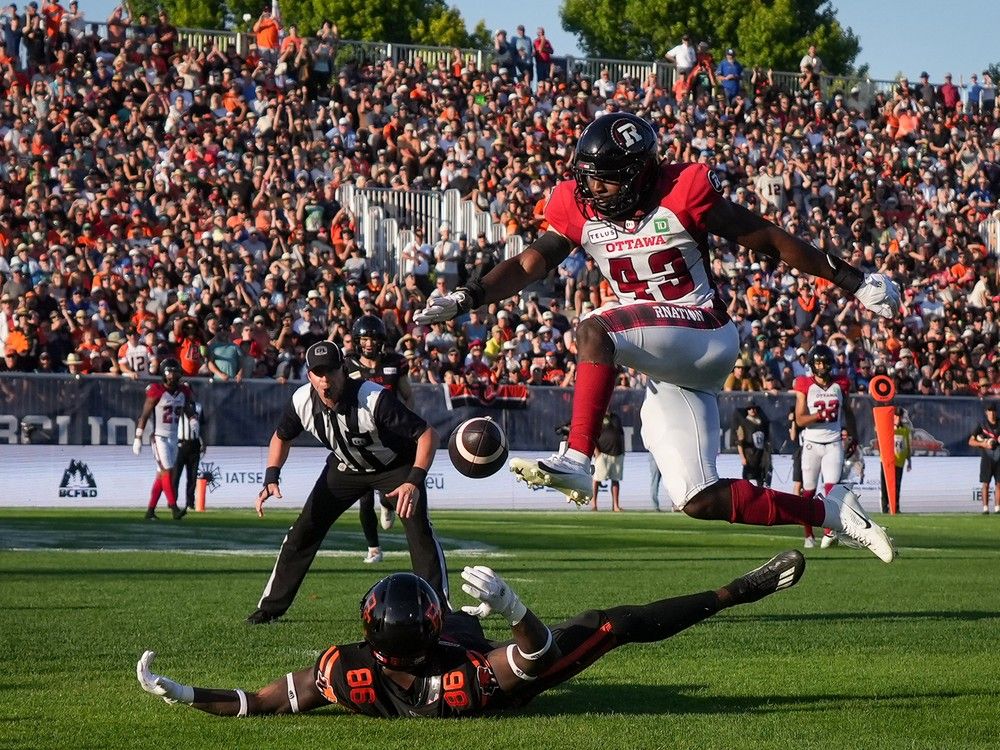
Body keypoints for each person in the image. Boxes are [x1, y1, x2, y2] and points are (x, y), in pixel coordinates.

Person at [415, 112, 899, 563]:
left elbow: (770, 239)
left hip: (704, 331)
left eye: (604, 177)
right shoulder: (578, 206)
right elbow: (528, 264)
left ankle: (578, 459)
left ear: (639, 173)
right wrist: (469, 296)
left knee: (595, 328)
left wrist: (855, 281)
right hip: (666, 364)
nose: (592, 188)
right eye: (587, 175)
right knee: (697, 497)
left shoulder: (682, 192)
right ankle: (831, 510)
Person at [137, 550, 806, 718]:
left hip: (462, 652)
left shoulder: (346, 672)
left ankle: (464, 610)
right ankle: (741, 589)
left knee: (462, 618)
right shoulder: (470, 672)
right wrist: (516, 608)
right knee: (618, 624)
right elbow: (536, 656)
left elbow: (261, 702)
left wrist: (187, 692)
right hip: (510, 676)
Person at [246, 341, 448, 624]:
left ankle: (439, 608)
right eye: (318, 372)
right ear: (309, 375)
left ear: (343, 370)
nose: (325, 380)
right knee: (304, 529)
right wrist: (271, 476)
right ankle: (270, 608)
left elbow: (428, 435)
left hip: (394, 468)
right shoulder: (302, 400)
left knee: (419, 530)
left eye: (330, 371)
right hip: (345, 468)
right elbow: (281, 436)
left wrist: (413, 481)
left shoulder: (374, 398)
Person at [345, 315, 415, 563]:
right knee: (364, 497)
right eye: (364, 338)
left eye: (373, 338)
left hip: (390, 435)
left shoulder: (395, 363)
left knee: (389, 490)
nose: (368, 343)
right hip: (361, 435)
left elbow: (408, 395)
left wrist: (406, 423)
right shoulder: (348, 365)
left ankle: (386, 502)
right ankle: (373, 548)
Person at [794, 345, 854, 549]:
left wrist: (853, 435)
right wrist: (817, 416)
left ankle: (828, 533)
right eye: (818, 362)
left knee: (831, 490)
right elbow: (800, 419)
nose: (821, 366)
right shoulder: (804, 384)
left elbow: (849, 411)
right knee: (808, 492)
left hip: (834, 442)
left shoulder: (841, 384)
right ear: (812, 364)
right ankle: (808, 534)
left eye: (824, 362)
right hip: (812, 443)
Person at [132, 358, 195, 521]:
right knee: (167, 471)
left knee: (162, 475)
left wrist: (192, 419)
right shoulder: (156, 390)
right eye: (170, 371)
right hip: (159, 437)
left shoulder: (184, 391)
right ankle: (174, 508)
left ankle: (150, 511)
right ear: (163, 373)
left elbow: (188, 407)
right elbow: (144, 415)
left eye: (175, 371)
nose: (173, 375)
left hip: (174, 437)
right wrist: (138, 436)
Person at [172, 395, 205, 512]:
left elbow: (202, 425)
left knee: (192, 477)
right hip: (180, 444)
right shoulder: (175, 405)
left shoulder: (198, 407)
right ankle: (173, 501)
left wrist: (203, 442)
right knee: (176, 476)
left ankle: (190, 502)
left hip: (194, 444)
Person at [969, 403, 1000, 515]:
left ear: (996, 412)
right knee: (985, 483)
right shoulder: (982, 425)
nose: (991, 413)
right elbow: (971, 441)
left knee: (999, 484)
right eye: (989, 411)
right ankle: (985, 508)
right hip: (987, 458)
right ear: (986, 412)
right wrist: (983, 443)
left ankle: (997, 508)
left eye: (993, 411)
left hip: (999, 458)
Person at [591, 411, 625, 511]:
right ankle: (594, 504)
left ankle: (615, 506)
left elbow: (621, 434)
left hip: (617, 453)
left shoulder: (616, 417)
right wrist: (596, 451)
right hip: (602, 453)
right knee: (597, 479)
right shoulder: (598, 417)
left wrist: (623, 450)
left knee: (615, 480)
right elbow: (592, 435)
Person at [880, 407, 911, 514]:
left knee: (897, 485)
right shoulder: (887, 428)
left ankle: (895, 506)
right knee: (885, 485)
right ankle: (885, 507)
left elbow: (907, 446)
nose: (897, 418)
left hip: (899, 461)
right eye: (896, 416)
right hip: (887, 461)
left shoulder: (904, 430)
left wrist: (909, 461)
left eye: (899, 416)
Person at [736, 402, 770, 487]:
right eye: (749, 408)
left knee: (761, 479)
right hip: (749, 456)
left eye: (754, 408)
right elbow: (740, 443)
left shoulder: (761, 423)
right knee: (748, 479)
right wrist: (742, 458)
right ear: (747, 410)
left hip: (761, 455)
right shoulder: (743, 424)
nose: (752, 410)